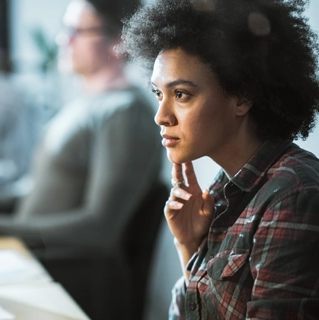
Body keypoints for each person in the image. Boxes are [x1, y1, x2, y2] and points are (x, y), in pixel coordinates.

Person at [122, 0, 319, 318]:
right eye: (159, 93)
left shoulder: (293, 194)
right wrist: (188, 246)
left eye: (181, 94)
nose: (161, 116)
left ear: (242, 96)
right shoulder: (222, 189)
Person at [0, 0, 164, 318]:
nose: (63, 40)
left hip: (69, 279)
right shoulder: (83, 105)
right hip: (38, 264)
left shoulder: (125, 114)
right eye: (66, 30)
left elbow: (100, 227)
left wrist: (1, 227)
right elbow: (38, 190)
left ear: (118, 41)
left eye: (78, 31)